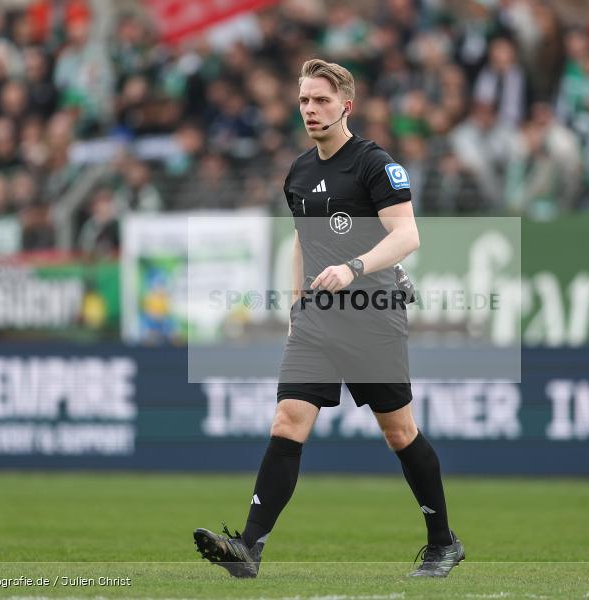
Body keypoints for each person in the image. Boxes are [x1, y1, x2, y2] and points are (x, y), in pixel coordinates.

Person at [193, 59, 464, 578]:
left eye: (320, 100)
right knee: (288, 420)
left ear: (346, 105)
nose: (310, 110)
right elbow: (302, 239)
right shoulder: (298, 171)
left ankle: (443, 542)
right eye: (303, 101)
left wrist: (353, 267)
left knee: (399, 433)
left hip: (373, 314)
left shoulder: (374, 163)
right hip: (318, 320)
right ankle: (249, 548)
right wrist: (296, 304)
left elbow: (408, 236)